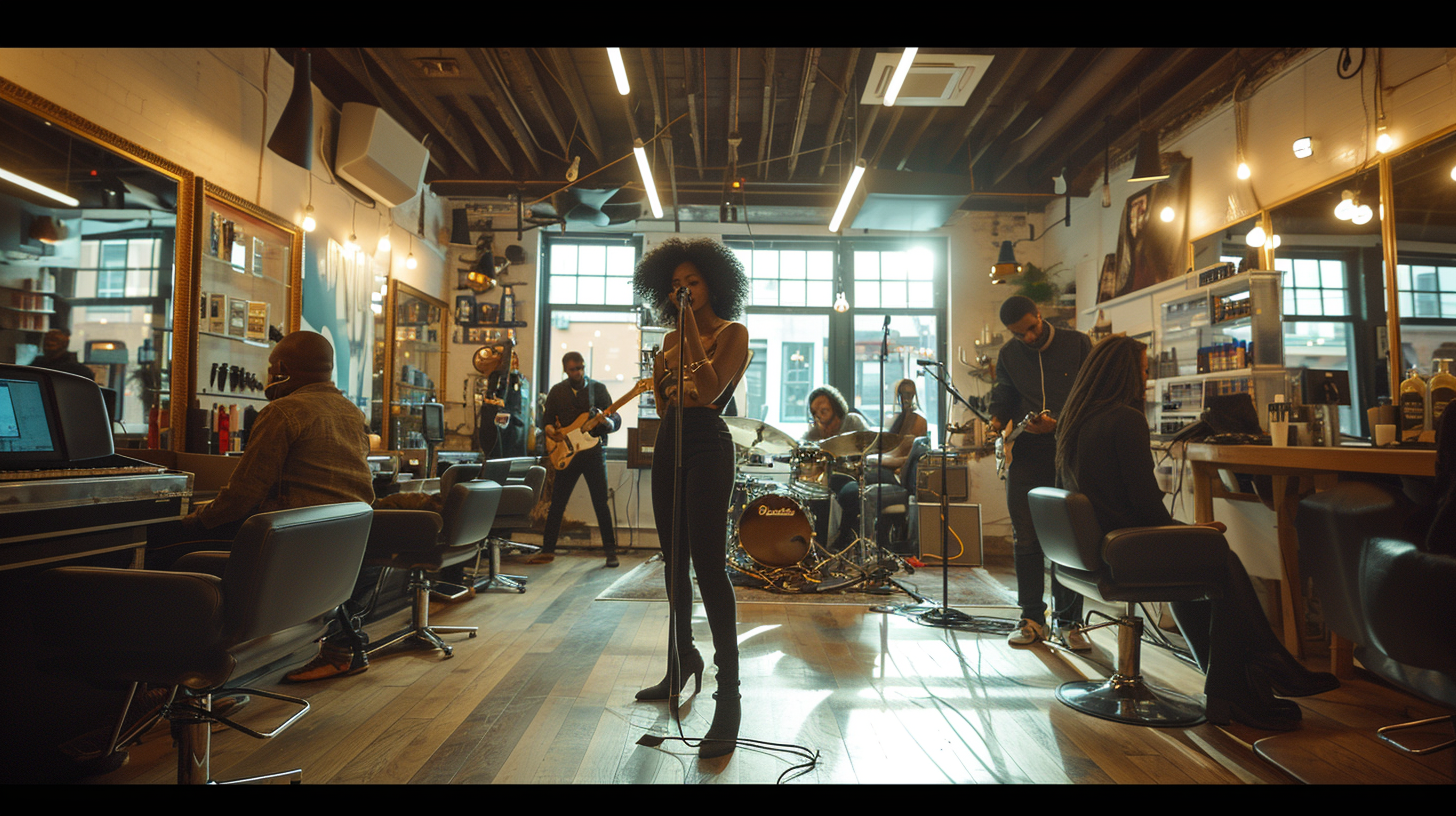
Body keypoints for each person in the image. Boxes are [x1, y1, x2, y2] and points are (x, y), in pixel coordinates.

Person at [1055, 335, 1339, 730]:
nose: (1146, 378)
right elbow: (1146, 506)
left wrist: (1187, 532)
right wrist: (1187, 531)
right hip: (1128, 547)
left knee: (1206, 558)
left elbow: (1127, 506)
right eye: (1142, 370)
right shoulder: (1125, 418)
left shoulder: (1077, 422)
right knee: (1217, 556)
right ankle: (1251, 675)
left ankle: (1244, 678)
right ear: (1124, 374)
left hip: (1095, 550)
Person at [149, 331, 375, 681]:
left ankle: (184, 676)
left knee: (159, 545)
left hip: (287, 545)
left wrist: (191, 521)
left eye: (272, 368)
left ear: (281, 369)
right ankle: (340, 648)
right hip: (333, 547)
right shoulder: (351, 413)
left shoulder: (284, 412)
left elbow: (242, 496)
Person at [633, 237, 750, 758]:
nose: (684, 290)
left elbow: (706, 391)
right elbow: (663, 405)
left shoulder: (733, 333)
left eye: (693, 282)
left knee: (708, 564)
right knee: (673, 562)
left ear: (713, 284)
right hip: (670, 442)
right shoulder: (666, 339)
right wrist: (673, 344)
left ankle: (730, 696)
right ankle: (680, 662)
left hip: (708, 441)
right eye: (675, 285)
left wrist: (687, 340)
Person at [988, 295, 1093, 650]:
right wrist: (996, 419)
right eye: (1019, 335)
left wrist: (1059, 424)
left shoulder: (1077, 344)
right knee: (1026, 537)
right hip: (1028, 454)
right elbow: (1003, 391)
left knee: (1069, 536)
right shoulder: (1008, 355)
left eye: (1031, 329)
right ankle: (1032, 618)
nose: (1028, 338)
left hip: (1070, 451)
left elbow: (1091, 394)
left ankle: (1069, 621)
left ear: (1039, 314)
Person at [533, 350, 622, 568]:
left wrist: (608, 423)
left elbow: (615, 419)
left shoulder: (598, 389)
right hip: (566, 452)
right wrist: (549, 431)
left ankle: (611, 552)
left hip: (593, 453)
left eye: (581, 368)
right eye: (574, 369)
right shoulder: (557, 391)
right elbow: (545, 419)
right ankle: (547, 550)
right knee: (557, 504)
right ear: (565, 370)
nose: (578, 372)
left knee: (601, 503)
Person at [801, 384, 871, 548]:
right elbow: (799, 446)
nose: (819, 417)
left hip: (853, 477)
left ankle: (843, 543)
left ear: (836, 408)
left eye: (824, 411)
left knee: (850, 494)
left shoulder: (852, 421)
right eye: (814, 413)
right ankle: (815, 546)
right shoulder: (815, 432)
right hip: (826, 480)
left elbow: (871, 446)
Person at [29, 328, 95, 380]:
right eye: (46, 340)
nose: (49, 343)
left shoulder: (79, 371)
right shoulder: (37, 364)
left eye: (54, 340)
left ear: (65, 344)